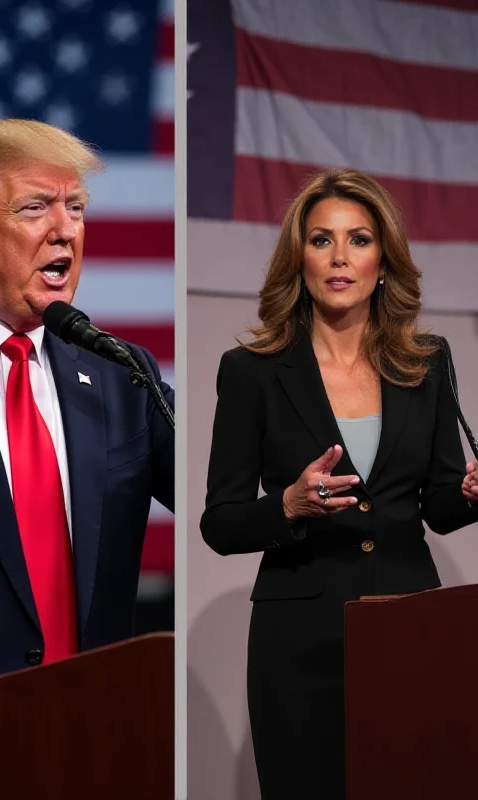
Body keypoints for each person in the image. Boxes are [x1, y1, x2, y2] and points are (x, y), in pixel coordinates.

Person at [0, 118, 174, 800]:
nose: (66, 230)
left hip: (94, 756)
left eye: (75, 208)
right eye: (35, 208)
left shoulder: (116, 373)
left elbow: (214, 483)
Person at [200, 168, 478, 800]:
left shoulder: (426, 363)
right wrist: (290, 506)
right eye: (321, 240)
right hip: (299, 642)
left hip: (409, 626)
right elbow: (220, 521)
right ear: (299, 259)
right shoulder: (251, 372)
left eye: (358, 239)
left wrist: (468, 494)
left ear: (384, 261)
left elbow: (436, 503)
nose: (340, 257)